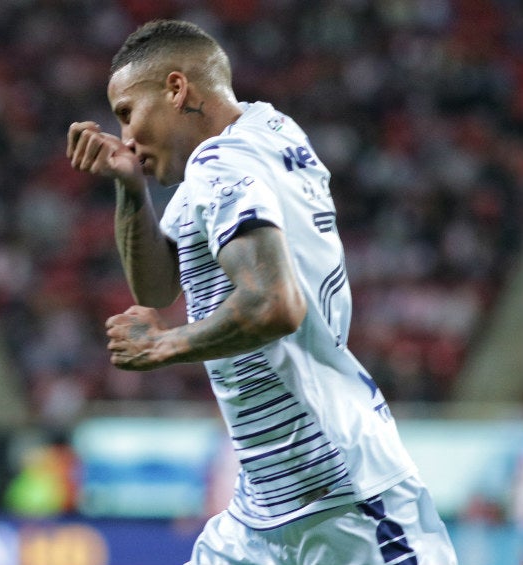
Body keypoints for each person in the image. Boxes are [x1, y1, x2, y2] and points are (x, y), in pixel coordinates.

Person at [66, 19, 458, 565]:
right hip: (264, 508)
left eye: (128, 113)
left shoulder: (218, 165)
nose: (126, 136)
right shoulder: (267, 133)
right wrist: (130, 188)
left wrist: (165, 345)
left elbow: (274, 304)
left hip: (344, 499)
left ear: (177, 89)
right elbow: (157, 286)